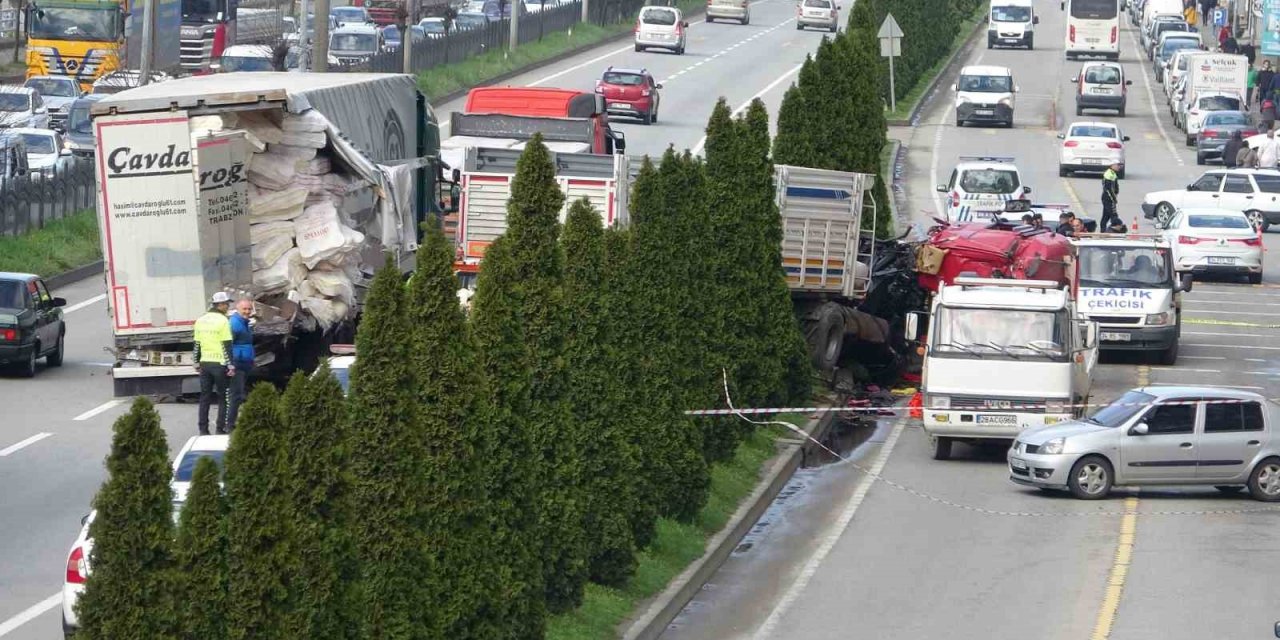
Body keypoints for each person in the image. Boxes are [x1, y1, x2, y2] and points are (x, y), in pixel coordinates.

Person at [193, 292, 235, 435]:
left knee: (205, 397)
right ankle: (220, 428)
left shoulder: (200, 320)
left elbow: (197, 344)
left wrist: (196, 362)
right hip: (220, 363)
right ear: (220, 305)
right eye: (226, 304)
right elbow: (226, 344)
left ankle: (203, 429)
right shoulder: (223, 321)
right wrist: (230, 365)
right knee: (223, 397)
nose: (228, 306)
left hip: (205, 364)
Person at [226, 297, 255, 432]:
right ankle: (230, 425)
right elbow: (228, 345)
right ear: (237, 309)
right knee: (236, 395)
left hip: (245, 363)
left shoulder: (244, 323)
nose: (247, 311)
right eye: (244, 309)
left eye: (249, 309)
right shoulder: (235, 324)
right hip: (237, 363)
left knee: (240, 394)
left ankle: (237, 421)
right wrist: (230, 364)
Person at [1101, 163, 1121, 231]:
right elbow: (1108, 189)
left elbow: (1115, 187)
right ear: (1112, 165)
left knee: (1106, 216)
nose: (1119, 167)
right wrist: (1114, 199)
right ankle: (1117, 231)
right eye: (1117, 165)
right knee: (1114, 216)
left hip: (1109, 198)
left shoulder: (1113, 173)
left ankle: (1102, 232)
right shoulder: (1108, 174)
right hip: (1108, 198)